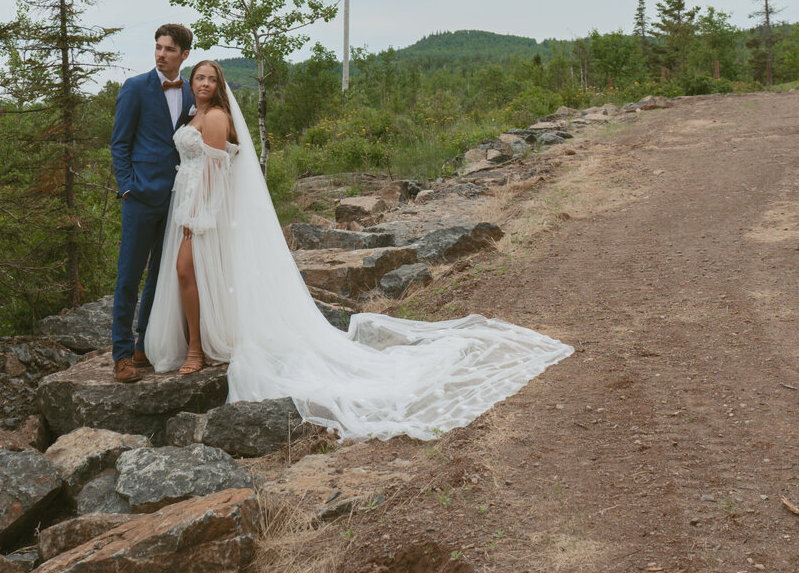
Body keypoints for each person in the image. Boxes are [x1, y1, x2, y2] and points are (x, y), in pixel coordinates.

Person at [145, 59, 573, 440]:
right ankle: (198, 342)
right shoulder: (194, 112)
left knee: (188, 271)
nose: (202, 83)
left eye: (209, 78)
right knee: (194, 273)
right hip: (189, 203)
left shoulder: (215, 116)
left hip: (205, 210)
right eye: (197, 78)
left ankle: (199, 348)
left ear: (219, 85)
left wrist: (196, 218)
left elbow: (216, 174)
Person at [109, 23, 195, 383]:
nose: (161, 54)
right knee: (130, 275)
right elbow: (119, 143)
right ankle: (122, 354)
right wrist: (127, 187)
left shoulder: (193, 93)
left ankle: (145, 345)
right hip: (140, 197)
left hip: (177, 199)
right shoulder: (135, 88)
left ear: (184, 55)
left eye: (169, 49)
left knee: (161, 276)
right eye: (158, 47)